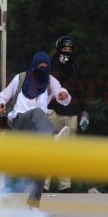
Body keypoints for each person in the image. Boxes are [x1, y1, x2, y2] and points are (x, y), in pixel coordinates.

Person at [0, 51, 71, 210]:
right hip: (19, 122)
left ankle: (33, 204)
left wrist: (64, 96)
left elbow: (61, 92)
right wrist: (0, 105)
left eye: (46, 67)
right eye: (40, 66)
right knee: (38, 112)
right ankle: (54, 137)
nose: (43, 69)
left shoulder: (50, 80)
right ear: (34, 66)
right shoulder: (21, 78)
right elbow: (1, 97)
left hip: (37, 130)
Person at [44, 35, 88, 193]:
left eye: (70, 50)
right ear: (57, 49)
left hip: (71, 113)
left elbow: (80, 88)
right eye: (64, 49)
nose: (67, 52)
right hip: (52, 111)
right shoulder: (49, 64)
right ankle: (44, 184)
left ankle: (65, 185)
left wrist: (84, 111)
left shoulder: (74, 65)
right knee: (48, 148)